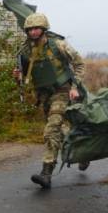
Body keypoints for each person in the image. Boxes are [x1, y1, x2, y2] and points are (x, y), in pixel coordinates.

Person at [14, 13, 86, 188]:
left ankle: (46, 172)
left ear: (44, 28)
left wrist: (75, 86)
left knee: (51, 130)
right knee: (62, 130)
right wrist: (17, 77)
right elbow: (25, 77)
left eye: (37, 28)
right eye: (30, 29)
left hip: (62, 91)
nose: (33, 32)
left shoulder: (58, 45)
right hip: (44, 95)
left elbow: (79, 63)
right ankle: (84, 153)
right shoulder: (25, 50)